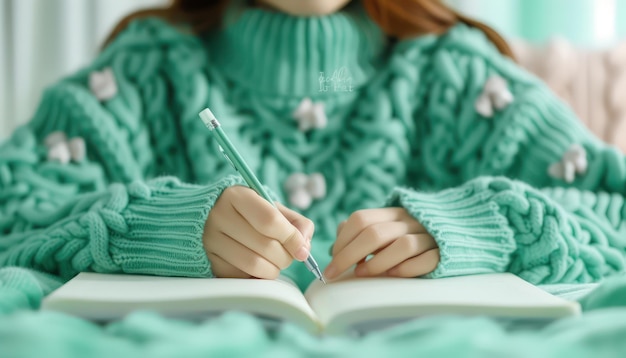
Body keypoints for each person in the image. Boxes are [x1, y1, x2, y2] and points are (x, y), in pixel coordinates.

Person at [1, 0, 625, 306]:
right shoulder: (141, 76)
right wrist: (150, 226)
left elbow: (612, 207)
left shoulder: (460, 80)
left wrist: (485, 225)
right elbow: (14, 211)